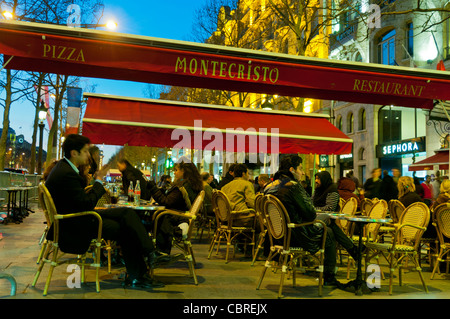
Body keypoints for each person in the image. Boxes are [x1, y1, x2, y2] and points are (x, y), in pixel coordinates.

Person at [44, 134, 173, 289]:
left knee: (126, 213)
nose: (88, 155)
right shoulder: (67, 174)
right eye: (85, 151)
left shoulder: (64, 169)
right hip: (74, 225)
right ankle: (144, 267)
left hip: (76, 218)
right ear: (74, 153)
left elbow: (81, 202)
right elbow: (87, 203)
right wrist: (98, 181)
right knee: (126, 227)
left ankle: (147, 260)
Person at [263, 155, 360, 286]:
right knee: (329, 230)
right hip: (297, 235)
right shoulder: (293, 186)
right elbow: (309, 214)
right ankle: (332, 274)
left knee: (328, 224)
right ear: (292, 170)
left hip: (277, 236)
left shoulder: (269, 186)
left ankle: (352, 250)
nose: (303, 172)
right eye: (301, 169)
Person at [146, 160, 203, 254]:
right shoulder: (192, 184)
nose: (174, 172)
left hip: (177, 217)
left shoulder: (183, 186)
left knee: (150, 217)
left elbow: (167, 202)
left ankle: (156, 251)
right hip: (182, 216)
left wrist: (153, 189)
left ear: (184, 171)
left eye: (176, 170)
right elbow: (173, 201)